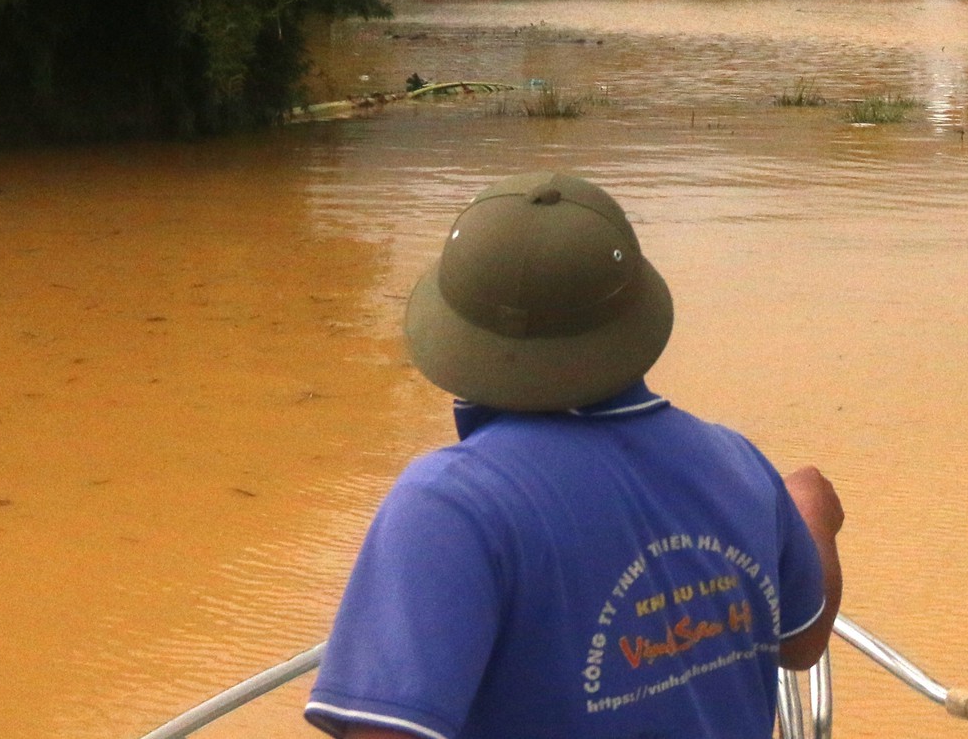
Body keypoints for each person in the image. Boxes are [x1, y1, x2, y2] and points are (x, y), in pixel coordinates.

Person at [304, 172, 845, 739]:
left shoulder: (451, 503)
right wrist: (813, 519)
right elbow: (802, 641)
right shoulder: (738, 465)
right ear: (634, 317)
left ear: (457, 334)